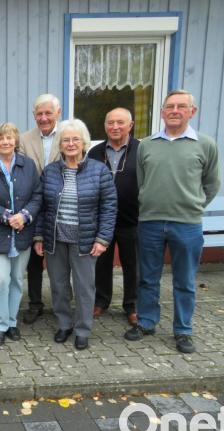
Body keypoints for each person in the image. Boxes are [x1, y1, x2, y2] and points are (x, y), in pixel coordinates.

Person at [125, 90, 221, 354]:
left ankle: (183, 330)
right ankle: (146, 322)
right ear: (162, 112)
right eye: (170, 106)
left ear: (193, 111)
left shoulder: (205, 144)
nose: (175, 110)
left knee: (185, 280)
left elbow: (212, 184)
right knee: (148, 277)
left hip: (187, 224)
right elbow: (142, 182)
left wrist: (195, 206)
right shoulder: (147, 145)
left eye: (181, 106)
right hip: (151, 222)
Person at [34, 119, 117, 350]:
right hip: (55, 239)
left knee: (84, 287)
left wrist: (103, 239)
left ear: (84, 143)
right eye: (66, 140)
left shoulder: (99, 171)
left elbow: (109, 207)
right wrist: (39, 237)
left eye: (75, 139)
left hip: (86, 240)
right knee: (59, 285)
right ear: (60, 145)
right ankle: (64, 324)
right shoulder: (50, 171)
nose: (70, 144)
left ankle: (82, 329)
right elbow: (41, 206)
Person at [0, 123, 42, 346]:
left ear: (15, 141)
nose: (5, 142)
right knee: (1, 280)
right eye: (0, 139)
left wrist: (24, 215)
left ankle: (12, 322)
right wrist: (6, 216)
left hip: (22, 233)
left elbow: (38, 195)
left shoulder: (28, 166)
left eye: (9, 138)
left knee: (16, 280)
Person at [87, 108, 140, 326]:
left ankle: (132, 305)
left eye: (120, 122)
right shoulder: (95, 152)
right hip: (101, 220)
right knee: (101, 264)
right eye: (110, 123)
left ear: (131, 125)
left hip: (133, 218)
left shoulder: (142, 150)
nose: (115, 127)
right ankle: (101, 301)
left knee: (133, 264)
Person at [19, 93, 62, 324]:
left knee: (61, 258)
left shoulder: (68, 136)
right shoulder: (24, 140)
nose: (44, 117)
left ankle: (61, 303)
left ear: (58, 113)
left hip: (61, 206)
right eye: (39, 113)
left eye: (48, 113)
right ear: (34, 115)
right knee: (34, 261)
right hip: (33, 205)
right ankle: (35, 303)